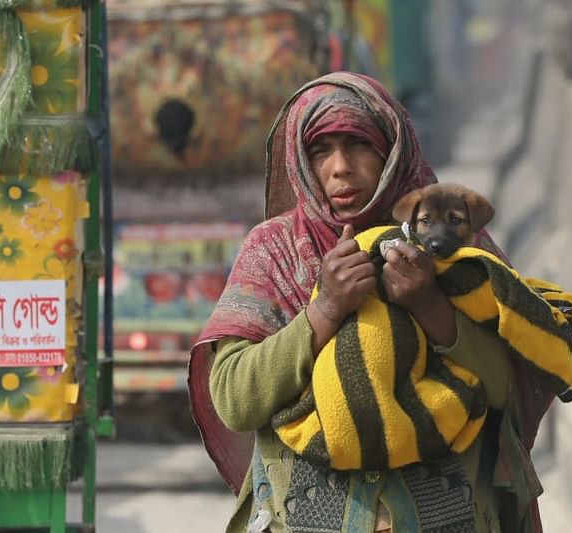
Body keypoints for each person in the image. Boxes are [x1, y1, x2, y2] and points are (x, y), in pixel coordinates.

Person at [188, 71, 551, 532]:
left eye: (358, 145)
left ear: (393, 152)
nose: (340, 167)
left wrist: (430, 307)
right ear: (300, 161)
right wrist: (324, 309)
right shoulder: (275, 252)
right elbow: (235, 400)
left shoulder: (452, 243)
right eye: (320, 150)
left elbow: (506, 388)